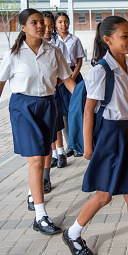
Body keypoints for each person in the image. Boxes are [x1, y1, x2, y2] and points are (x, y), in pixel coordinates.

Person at [62, 16, 128, 255]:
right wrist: (88, 146)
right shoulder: (101, 70)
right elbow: (89, 110)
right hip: (110, 135)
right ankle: (72, 232)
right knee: (104, 195)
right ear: (107, 40)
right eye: (125, 37)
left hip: (127, 131)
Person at [0, 8, 76, 235]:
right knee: (36, 159)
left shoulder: (54, 52)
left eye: (42, 23)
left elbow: (67, 80)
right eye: (34, 23)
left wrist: (87, 104)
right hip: (23, 108)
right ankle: (40, 216)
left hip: (48, 105)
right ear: (22, 27)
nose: (41, 26)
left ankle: (32, 190)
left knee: (44, 153)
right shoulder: (13, 54)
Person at [55, 12, 85, 160]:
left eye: (66, 22)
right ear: (55, 24)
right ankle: (69, 145)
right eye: (60, 22)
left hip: (73, 76)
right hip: (59, 79)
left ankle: (79, 144)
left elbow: (79, 61)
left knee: (76, 110)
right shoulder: (53, 42)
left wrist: (72, 76)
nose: (63, 25)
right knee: (64, 114)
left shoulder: (75, 40)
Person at [47, 11, 71, 169]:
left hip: (57, 87)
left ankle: (61, 152)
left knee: (58, 122)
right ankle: (53, 154)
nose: (46, 29)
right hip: (44, 92)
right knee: (48, 126)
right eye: (44, 25)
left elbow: (65, 70)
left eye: (49, 26)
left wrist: (56, 84)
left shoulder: (58, 45)